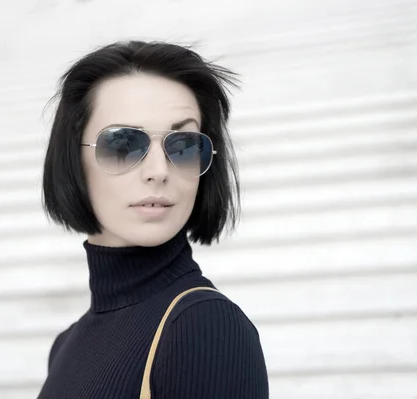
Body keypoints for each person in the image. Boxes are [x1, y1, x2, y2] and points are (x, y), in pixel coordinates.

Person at [38, 40, 269, 399]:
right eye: (122, 144)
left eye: (184, 144)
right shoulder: (65, 344)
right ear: (72, 157)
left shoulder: (202, 325)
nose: (159, 171)